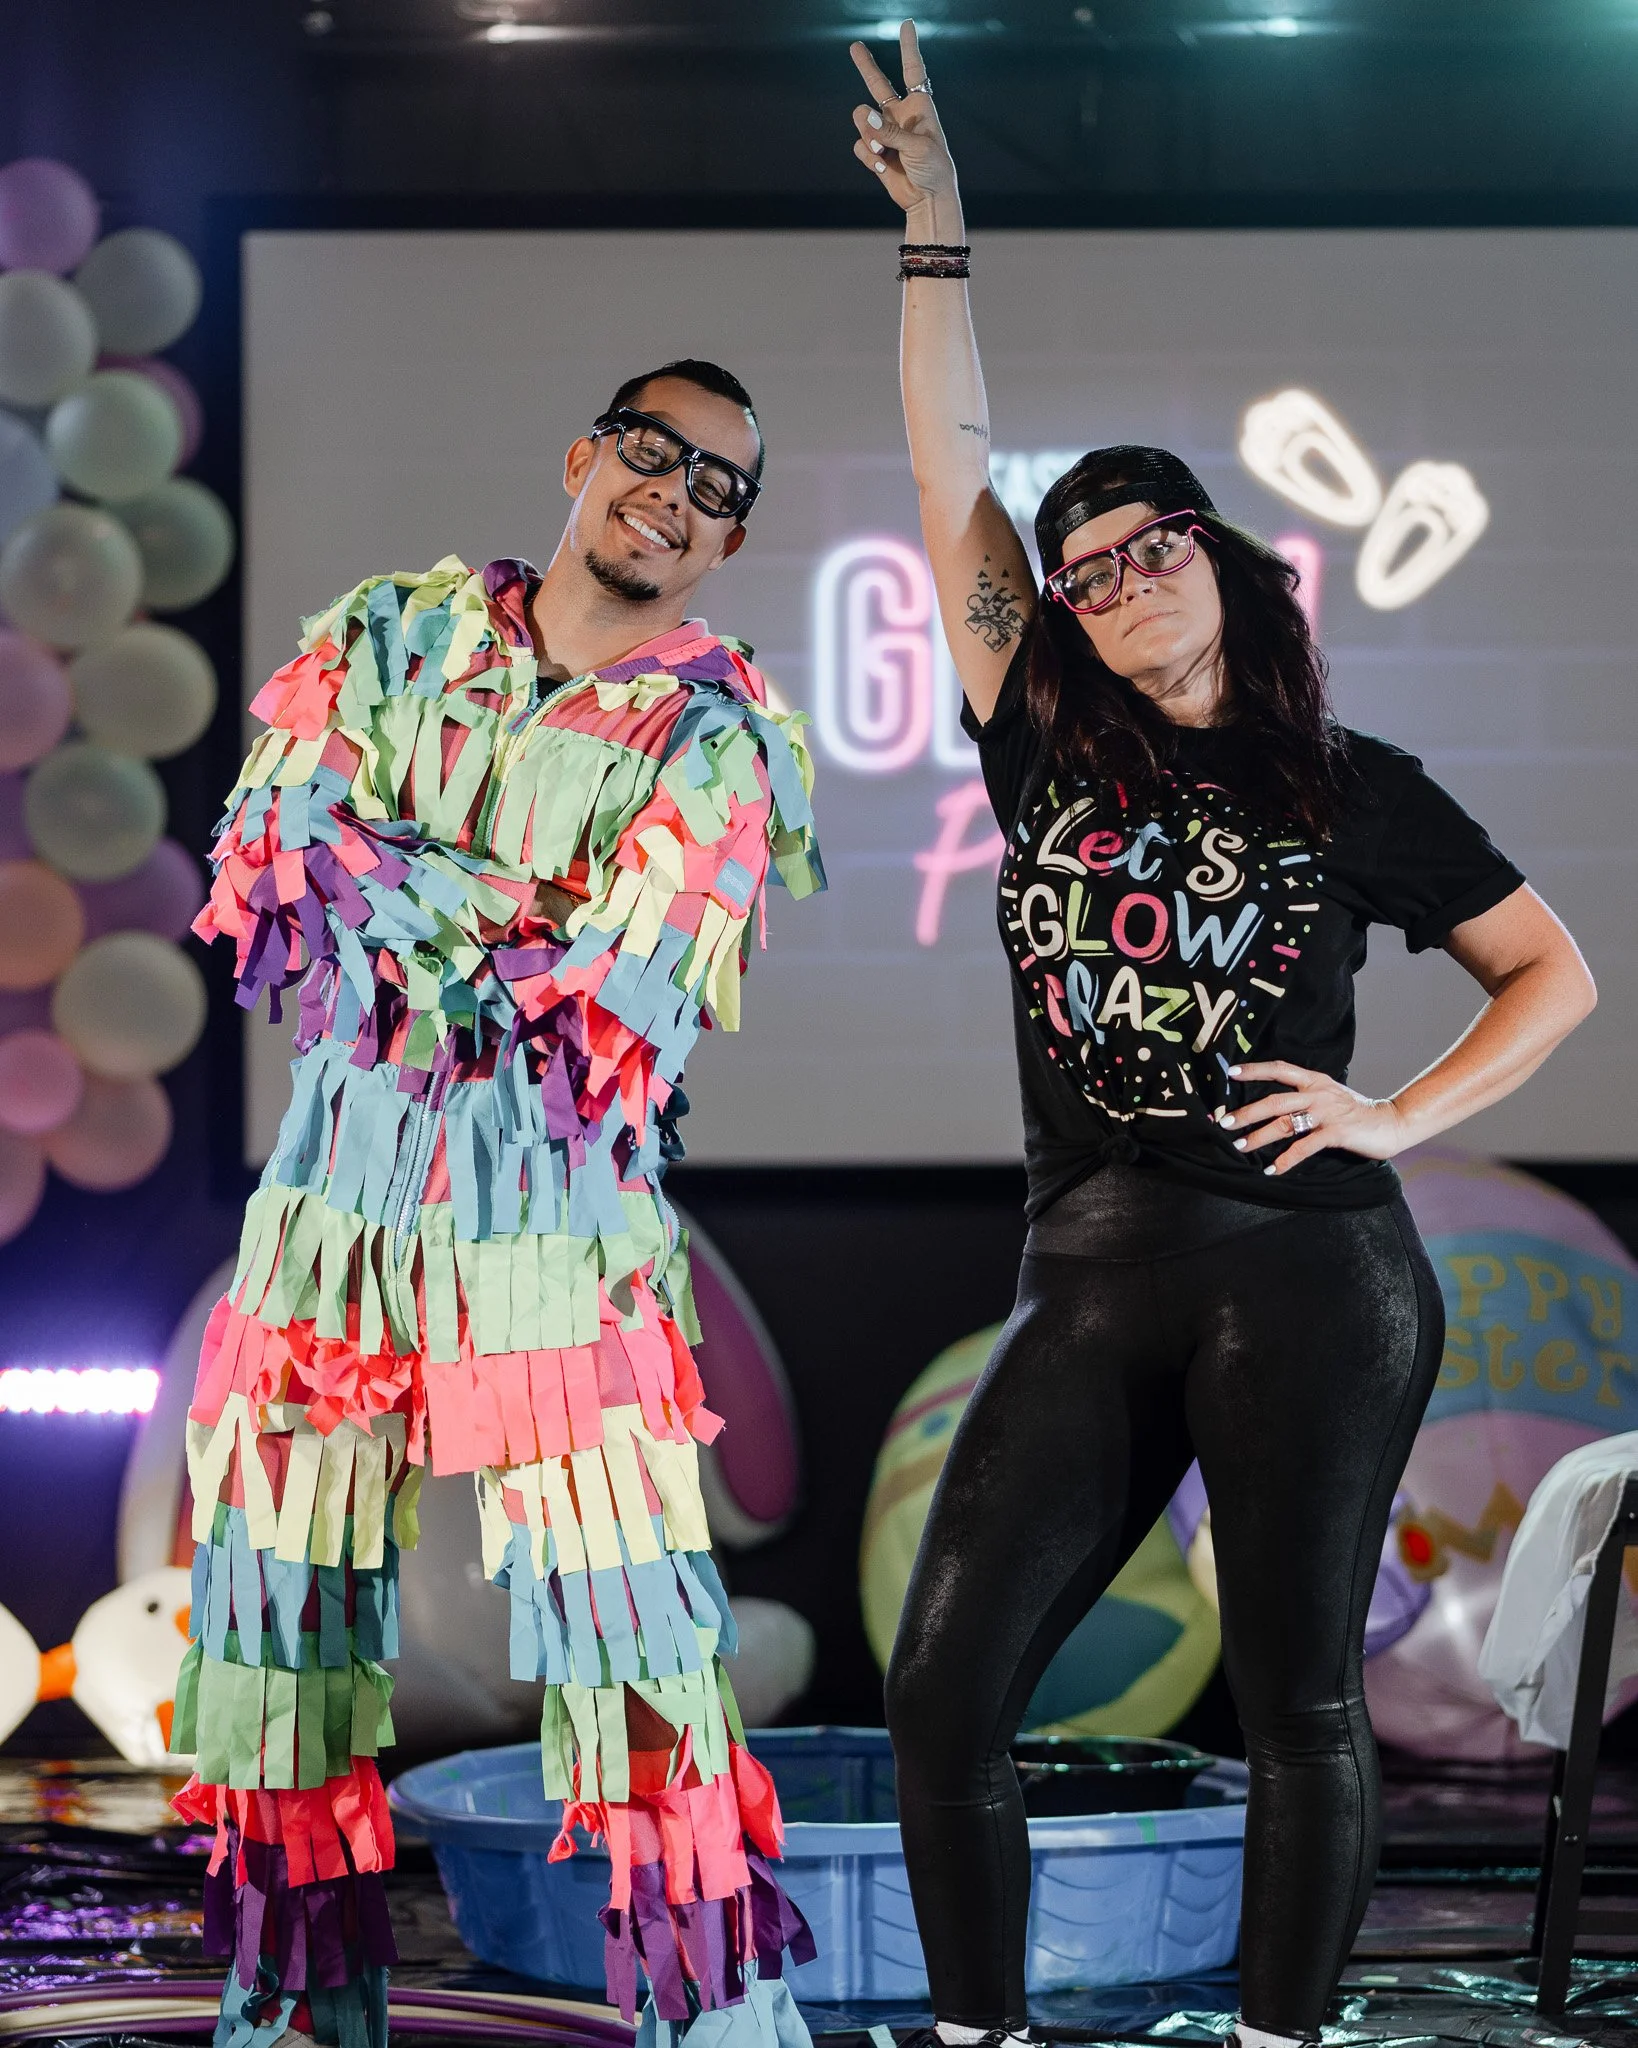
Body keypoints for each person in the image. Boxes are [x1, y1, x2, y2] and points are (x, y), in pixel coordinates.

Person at [846, 26, 1597, 2048]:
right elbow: (945, 472)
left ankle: (1277, 2042)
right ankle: (980, 2036)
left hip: (1305, 1268)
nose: (1109, 581)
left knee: (1296, 1704)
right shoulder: (1037, 736)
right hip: (1089, 1268)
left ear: (1219, 559)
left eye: (1146, 543)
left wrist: (1398, 1110)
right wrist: (936, 239)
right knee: (941, 1692)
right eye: (1078, 570)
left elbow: (1554, 974)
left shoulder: (1351, 785)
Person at [170, 360, 824, 2048]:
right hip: (330, 1228)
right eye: (653, 451)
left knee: (636, 1649)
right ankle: (294, 2018)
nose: (675, 492)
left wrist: (404, 878)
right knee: (276, 1636)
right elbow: (275, 860)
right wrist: (517, 908)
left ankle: (717, 2024)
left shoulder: (722, 742)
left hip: (560, 1243)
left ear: (729, 543)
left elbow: (617, 999)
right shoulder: (388, 633)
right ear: (584, 455)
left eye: (719, 485)